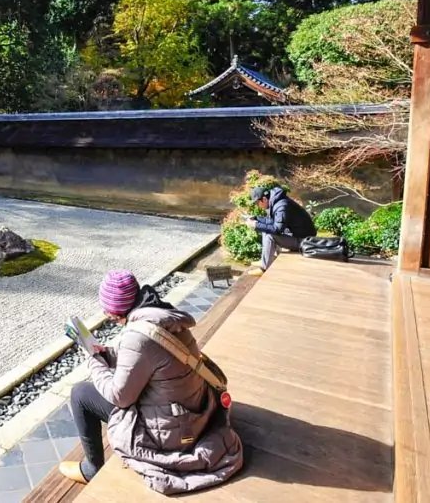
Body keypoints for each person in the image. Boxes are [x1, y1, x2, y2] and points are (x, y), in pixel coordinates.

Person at [60, 270, 244, 494]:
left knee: (80, 394)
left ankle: (92, 468)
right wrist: (106, 354)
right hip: (195, 411)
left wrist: (93, 361)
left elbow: (120, 396)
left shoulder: (138, 337)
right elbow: (149, 356)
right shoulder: (164, 316)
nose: (105, 313)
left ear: (116, 310)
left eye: (107, 309)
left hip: (173, 432)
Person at [243, 185, 316, 276]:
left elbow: (277, 229)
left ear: (264, 199)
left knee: (270, 235)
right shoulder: (278, 202)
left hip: (304, 241)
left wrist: (256, 225)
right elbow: (275, 222)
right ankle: (264, 260)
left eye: (257, 203)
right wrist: (257, 219)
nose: (258, 206)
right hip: (297, 236)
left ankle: (264, 268)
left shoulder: (281, 206)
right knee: (265, 230)